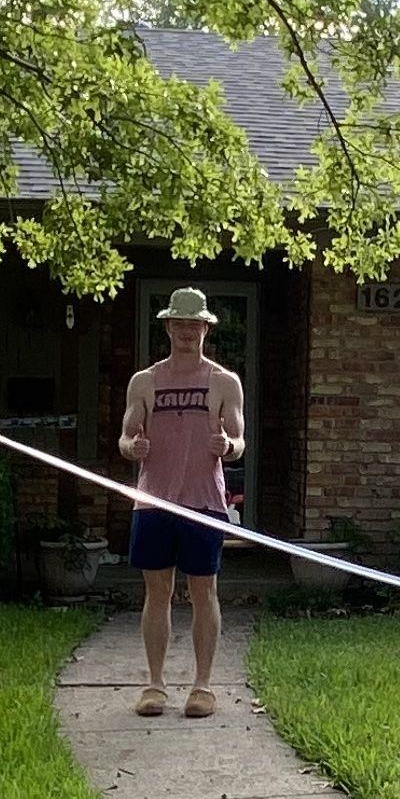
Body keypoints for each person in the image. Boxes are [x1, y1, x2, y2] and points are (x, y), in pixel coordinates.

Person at [117, 287, 247, 717]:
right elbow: (125, 436)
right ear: (168, 327)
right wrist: (131, 446)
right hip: (153, 502)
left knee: (203, 590)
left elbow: (240, 440)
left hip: (204, 503)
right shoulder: (146, 381)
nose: (187, 331)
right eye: (179, 323)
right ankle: (154, 684)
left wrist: (227, 444)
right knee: (157, 592)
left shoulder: (224, 381)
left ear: (206, 327)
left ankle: (203, 686)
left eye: (195, 324)